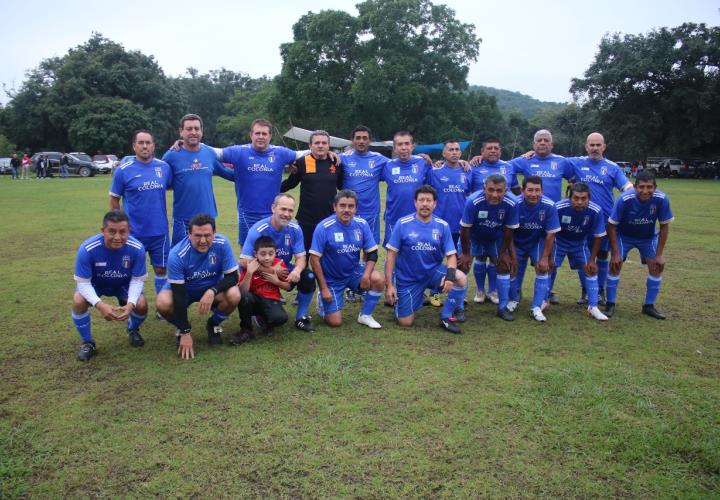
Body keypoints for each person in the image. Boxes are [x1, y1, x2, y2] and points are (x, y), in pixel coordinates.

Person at [199, 118, 314, 243]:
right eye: (257, 133)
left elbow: (305, 153)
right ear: (251, 135)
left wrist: (329, 152)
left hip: (273, 213)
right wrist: (186, 144)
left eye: (264, 134)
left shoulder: (280, 153)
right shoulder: (239, 152)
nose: (260, 137)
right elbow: (213, 152)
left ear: (270, 136)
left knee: (272, 251)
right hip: (247, 214)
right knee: (247, 253)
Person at [559, 132, 632, 305]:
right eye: (591, 145)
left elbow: (627, 187)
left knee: (601, 254)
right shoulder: (577, 163)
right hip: (581, 220)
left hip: (605, 220)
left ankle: (600, 291)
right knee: (583, 255)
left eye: (598, 145)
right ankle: (586, 290)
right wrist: (529, 154)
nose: (595, 148)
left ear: (604, 147)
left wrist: (630, 195)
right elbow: (552, 158)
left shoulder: (612, 167)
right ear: (586, 146)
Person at [156, 214, 241, 360]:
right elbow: (179, 295)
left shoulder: (222, 243)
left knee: (234, 294)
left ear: (214, 233)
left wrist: (212, 291)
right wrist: (186, 331)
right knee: (162, 303)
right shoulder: (177, 254)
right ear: (189, 234)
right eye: (197, 235)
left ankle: (213, 325)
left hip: (212, 288)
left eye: (207, 235)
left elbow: (233, 277)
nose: (203, 241)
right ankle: (181, 328)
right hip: (184, 291)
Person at [385, 185, 468, 334]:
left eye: (428, 200)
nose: (425, 204)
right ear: (415, 203)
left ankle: (446, 316)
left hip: (432, 273)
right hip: (408, 278)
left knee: (460, 278)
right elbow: (391, 255)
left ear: (435, 203)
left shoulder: (442, 226)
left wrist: (449, 277)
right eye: (421, 200)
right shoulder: (403, 224)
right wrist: (390, 286)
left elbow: (451, 256)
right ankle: (405, 302)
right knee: (405, 322)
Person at [72, 210, 148, 361]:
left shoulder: (137, 248)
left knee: (141, 303)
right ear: (103, 231)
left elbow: (138, 280)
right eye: (112, 232)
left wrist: (131, 303)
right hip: (96, 284)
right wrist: (99, 305)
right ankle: (88, 343)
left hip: (123, 285)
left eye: (122, 232)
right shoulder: (87, 249)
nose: (117, 237)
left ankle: (132, 329)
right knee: (78, 300)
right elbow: (83, 283)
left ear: (129, 231)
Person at [238, 193, 317, 335]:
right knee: (255, 301)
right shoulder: (258, 230)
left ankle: (301, 317)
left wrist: (297, 271)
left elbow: (301, 257)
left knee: (308, 276)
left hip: (283, 271)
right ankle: (258, 313)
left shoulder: (295, 229)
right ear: (273, 208)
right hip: (259, 275)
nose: (287, 214)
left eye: (290, 210)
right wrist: (271, 270)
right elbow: (243, 261)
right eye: (283, 209)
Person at [110, 130, 173, 296]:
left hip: (160, 231)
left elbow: (174, 186)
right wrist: (120, 226)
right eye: (141, 143)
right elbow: (114, 199)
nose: (145, 146)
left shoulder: (164, 167)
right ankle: (136, 302)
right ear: (134, 146)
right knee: (134, 270)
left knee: (161, 268)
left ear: (153, 146)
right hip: (133, 232)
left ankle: (162, 304)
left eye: (148, 142)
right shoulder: (123, 170)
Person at [310, 190, 384, 329]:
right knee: (335, 322)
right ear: (334, 207)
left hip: (353, 272)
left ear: (356, 208)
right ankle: (323, 299)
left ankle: (365, 315)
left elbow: (372, 252)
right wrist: (324, 287)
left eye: (351, 206)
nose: (346, 210)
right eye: (342, 205)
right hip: (331, 278)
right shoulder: (323, 227)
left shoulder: (361, 224)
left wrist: (366, 276)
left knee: (378, 279)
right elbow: (314, 260)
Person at [605, 171, 673, 319]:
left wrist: (659, 255)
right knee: (615, 265)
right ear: (635, 187)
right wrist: (616, 253)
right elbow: (611, 226)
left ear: (655, 187)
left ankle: (649, 306)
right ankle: (610, 304)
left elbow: (664, 226)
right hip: (624, 236)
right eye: (641, 187)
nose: (645, 191)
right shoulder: (624, 199)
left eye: (649, 187)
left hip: (647, 238)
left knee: (656, 268)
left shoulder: (662, 199)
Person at [162, 114, 234, 246]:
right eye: (189, 129)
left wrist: (251, 172)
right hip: (183, 219)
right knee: (179, 258)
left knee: (206, 256)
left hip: (208, 218)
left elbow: (228, 173)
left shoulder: (209, 152)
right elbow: (162, 183)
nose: (193, 132)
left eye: (196, 128)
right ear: (181, 131)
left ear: (202, 131)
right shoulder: (171, 156)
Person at [459, 174, 519, 321]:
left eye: (499, 191)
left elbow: (509, 230)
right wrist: (466, 253)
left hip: (495, 238)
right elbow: (465, 229)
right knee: (462, 267)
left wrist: (504, 253)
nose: (494, 194)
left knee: (504, 266)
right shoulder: (472, 201)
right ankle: (458, 307)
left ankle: (502, 307)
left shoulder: (512, 203)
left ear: (506, 190)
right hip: (473, 236)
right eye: (490, 190)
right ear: (484, 188)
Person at [468, 138, 520, 304]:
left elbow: (517, 190)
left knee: (495, 256)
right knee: (480, 257)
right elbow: (466, 189)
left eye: (496, 148)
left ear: (500, 150)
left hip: (500, 219)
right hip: (479, 220)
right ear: (482, 151)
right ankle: (480, 290)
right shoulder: (474, 167)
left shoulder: (509, 167)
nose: (493, 151)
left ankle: (492, 290)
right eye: (489, 148)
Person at [552, 182, 608, 321]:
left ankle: (593, 306)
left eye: (583, 198)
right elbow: (550, 232)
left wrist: (592, 259)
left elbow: (598, 236)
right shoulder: (558, 207)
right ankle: (542, 300)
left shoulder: (596, 210)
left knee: (590, 269)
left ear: (589, 198)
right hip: (559, 242)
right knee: (549, 267)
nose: (579, 202)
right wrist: (547, 255)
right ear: (569, 197)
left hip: (579, 243)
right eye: (576, 198)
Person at [280, 130, 343, 253]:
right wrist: (268, 189)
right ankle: (304, 273)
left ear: (328, 146)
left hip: (330, 219)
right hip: (306, 220)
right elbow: (289, 184)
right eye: (317, 143)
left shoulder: (336, 163)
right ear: (310, 146)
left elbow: (343, 187)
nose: (320, 145)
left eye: (324, 143)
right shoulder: (302, 162)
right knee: (305, 253)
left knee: (328, 253)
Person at [508, 176, 560, 322]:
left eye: (537, 190)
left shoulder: (549, 205)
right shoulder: (515, 204)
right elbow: (509, 233)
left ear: (542, 190)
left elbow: (551, 234)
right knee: (512, 268)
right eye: (530, 190)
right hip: (517, 241)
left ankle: (536, 306)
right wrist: (511, 256)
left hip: (537, 241)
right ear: (523, 191)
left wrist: (545, 257)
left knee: (542, 268)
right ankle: (513, 300)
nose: (533, 194)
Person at [381, 131, 432, 246]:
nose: (403, 148)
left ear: (412, 146)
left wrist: (460, 162)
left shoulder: (423, 163)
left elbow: (440, 170)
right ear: (394, 148)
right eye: (399, 144)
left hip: (417, 218)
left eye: (407, 144)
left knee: (414, 251)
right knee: (392, 252)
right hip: (393, 218)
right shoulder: (387, 165)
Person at [340, 125, 388, 244]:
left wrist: (420, 158)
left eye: (364, 138)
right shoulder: (342, 158)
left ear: (369, 141)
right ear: (352, 140)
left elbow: (400, 164)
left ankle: (367, 263)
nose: (361, 141)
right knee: (347, 245)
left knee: (370, 245)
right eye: (358, 138)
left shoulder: (379, 159)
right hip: (348, 210)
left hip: (371, 211)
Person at [236, 236, 290, 341]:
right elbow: (242, 291)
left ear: (275, 253)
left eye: (271, 254)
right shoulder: (251, 265)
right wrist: (249, 273)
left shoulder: (279, 264)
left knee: (281, 318)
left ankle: (267, 322)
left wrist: (277, 281)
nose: (267, 258)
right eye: (263, 254)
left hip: (271, 300)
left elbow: (288, 287)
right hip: (254, 300)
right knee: (244, 297)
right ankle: (246, 330)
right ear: (256, 254)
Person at [510, 130, 572, 203]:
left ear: (552, 145)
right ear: (534, 145)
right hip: (531, 209)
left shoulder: (562, 161)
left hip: (554, 210)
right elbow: (505, 167)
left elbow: (574, 180)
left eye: (546, 140)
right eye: (539, 140)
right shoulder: (526, 160)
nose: (542, 143)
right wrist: (516, 188)